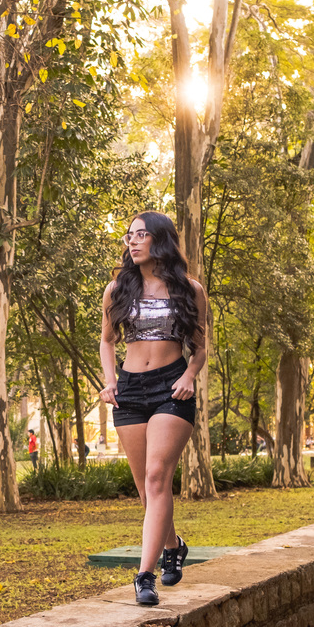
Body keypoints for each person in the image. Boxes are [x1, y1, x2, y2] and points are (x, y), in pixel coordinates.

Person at [99, 211, 207, 606]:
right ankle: (174, 545)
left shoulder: (189, 289)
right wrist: (110, 380)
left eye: (141, 234)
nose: (132, 241)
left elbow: (200, 344)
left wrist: (190, 374)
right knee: (147, 489)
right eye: (129, 235)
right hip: (129, 390)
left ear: (160, 240)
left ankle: (145, 575)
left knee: (158, 475)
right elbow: (107, 341)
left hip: (170, 389)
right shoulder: (117, 290)